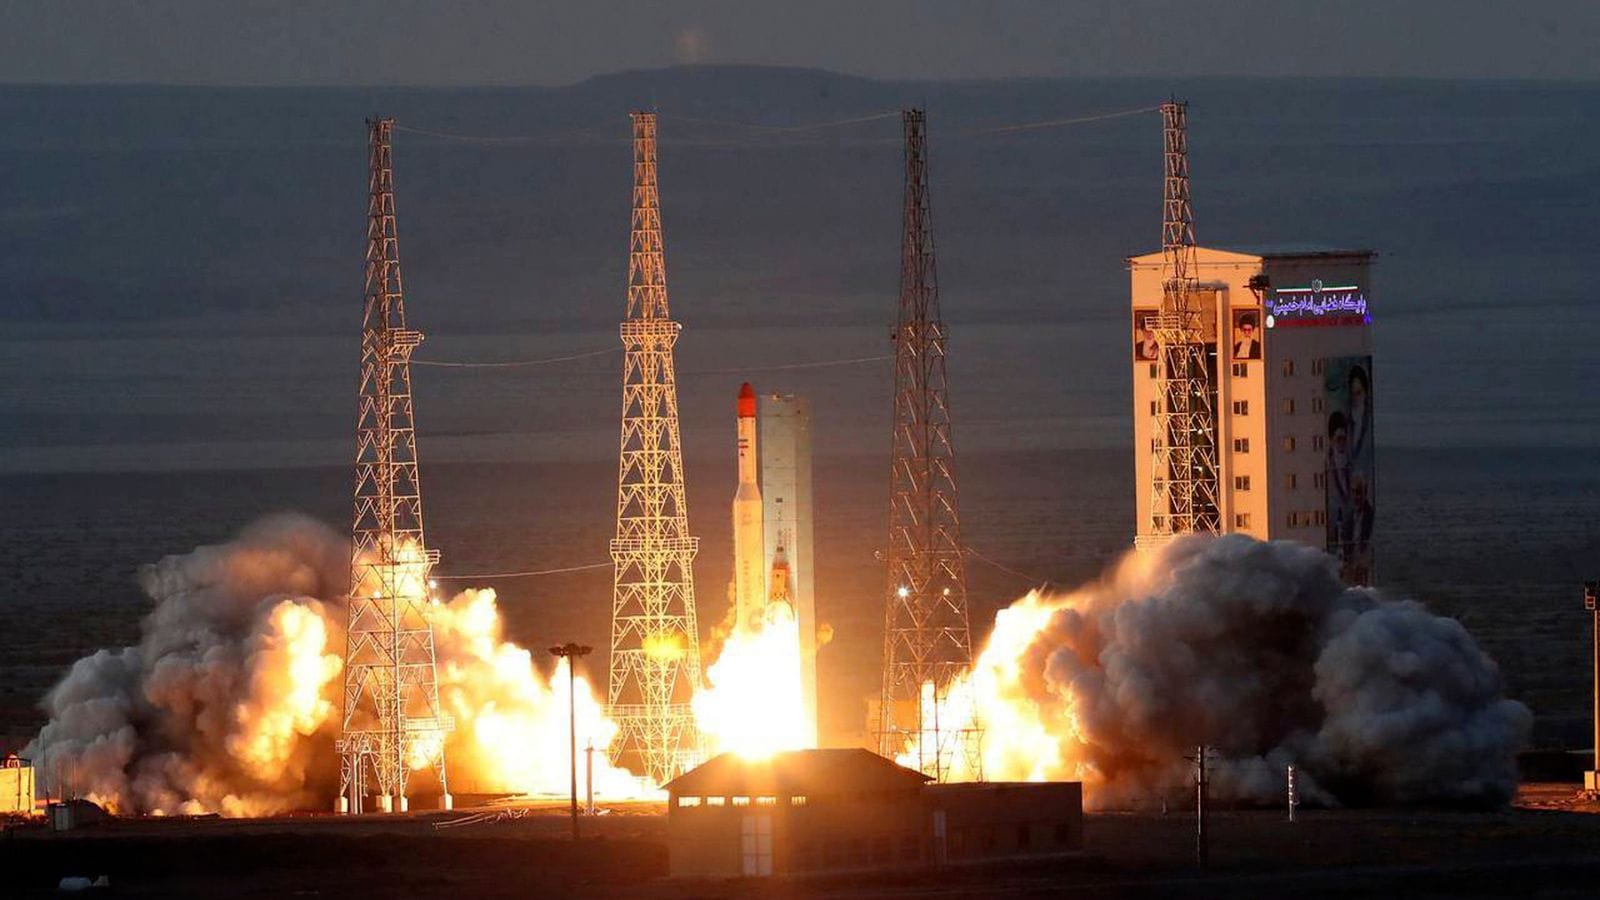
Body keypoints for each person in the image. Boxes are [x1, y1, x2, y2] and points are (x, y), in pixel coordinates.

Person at [1345, 364, 1373, 462]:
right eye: (1352, 393)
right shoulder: (1348, 420)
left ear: (1366, 392)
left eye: (1358, 393)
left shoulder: (1370, 419)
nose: (1355, 398)